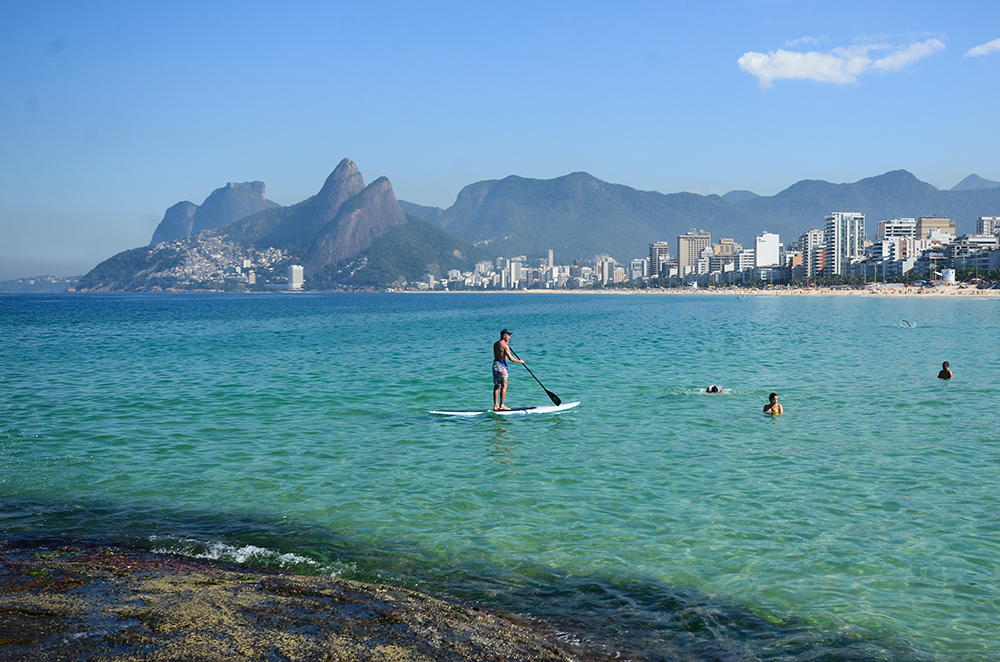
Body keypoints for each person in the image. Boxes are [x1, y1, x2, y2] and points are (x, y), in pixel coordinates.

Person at [493, 329, 524, 411]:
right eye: (509, 335)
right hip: (502, 366)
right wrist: (520, 361)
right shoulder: (505, 345)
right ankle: (502, 405)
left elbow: (499, 352)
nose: (509, 337)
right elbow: (511, 358)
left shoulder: (496, 344)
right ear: (504, 336)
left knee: (497, 386)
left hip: (495, 365)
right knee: (504, 386)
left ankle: (496, 405)